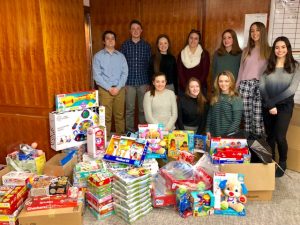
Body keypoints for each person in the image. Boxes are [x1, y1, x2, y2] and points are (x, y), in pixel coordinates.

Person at [259, 36, 300, 177]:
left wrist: (273, 103)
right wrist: (269, 104)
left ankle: (283, 162)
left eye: (283, 47)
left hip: (284, 107)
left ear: (288, 49)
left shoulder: (295, 66)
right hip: (268, 106)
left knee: (279, 136)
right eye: (277, 47)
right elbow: (261, 86)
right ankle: (271, 161)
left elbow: (291, 90)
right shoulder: (268, 65)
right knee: (269, 136)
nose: (280, 50)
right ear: (273, 50)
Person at [236, 22, 270, 136]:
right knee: (246, 119)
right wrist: (236, 87)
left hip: (260, 86)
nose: (254, 33)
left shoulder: (269, 50)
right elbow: (241, 69)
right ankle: (249, 148)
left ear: (262, 32)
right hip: (244, 86)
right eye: (252, 30)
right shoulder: (246, 50)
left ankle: (260, 150)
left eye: (257, 30)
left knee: (257, 119)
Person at [93, 31, 128, 137]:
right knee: (105, 117)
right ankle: (105, 140)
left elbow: (125, 73)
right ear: (104, 41)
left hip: (119, 90)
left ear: (115, 41)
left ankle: (120, 138)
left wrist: (117, 87)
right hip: (105, 90)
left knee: (120, 116)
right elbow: (97, 75)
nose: (110, 40)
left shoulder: (121, 56)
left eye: (112, 38)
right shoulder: (98, 56)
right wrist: (109, 88)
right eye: (107, 38)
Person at [120, 19, 152, 132]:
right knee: (129, 110)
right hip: (129, 83)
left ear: (141, 30)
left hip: (143, 83)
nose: (135, 31)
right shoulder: (124, 45)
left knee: (143, 109)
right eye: (133, 29)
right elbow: (121, 66)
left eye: (138, 28)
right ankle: (129, 132)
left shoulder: (146, 46)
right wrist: (123, 83)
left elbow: (149, 65)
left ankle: (142, 132)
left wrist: (149, 82)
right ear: (130, 31)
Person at [206, 71, 243, 139]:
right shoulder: (215, 96)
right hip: (214, 135)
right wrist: (207, 129)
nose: (223, 84)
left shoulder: (236, 98)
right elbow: (210, 115)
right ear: (217, 82)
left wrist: (224, 136)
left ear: (231, 82)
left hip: (229, 137)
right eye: (221, 81)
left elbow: (236, 121)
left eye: (226, 81)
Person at [177, 29, 210, 95]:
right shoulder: (181, 53)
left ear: (199, 41)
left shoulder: (204, 54)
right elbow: (180, 73)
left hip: (200, 88)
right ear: (188, 39)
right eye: (191, 38)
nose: (193, 40)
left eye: (196, 38)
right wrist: (187, 87)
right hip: (184, 89)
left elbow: (205, 73)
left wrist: (195, 87)